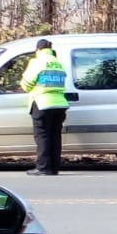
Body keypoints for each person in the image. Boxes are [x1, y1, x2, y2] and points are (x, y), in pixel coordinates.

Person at [20, 39, 69, 175]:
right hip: (60, 104)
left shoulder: (37, 62)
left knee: (42, 136)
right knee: (55, 136)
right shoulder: (59, 63)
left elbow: (26, 84)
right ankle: (54, 167)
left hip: (42, 103)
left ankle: (43, 167)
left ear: (38, 50)